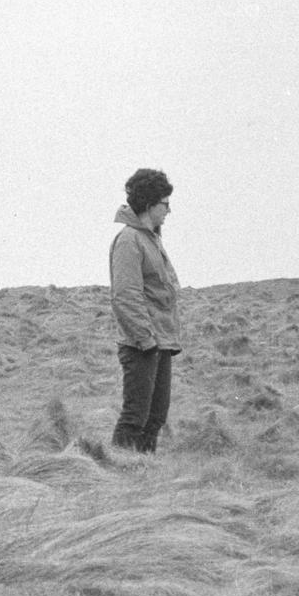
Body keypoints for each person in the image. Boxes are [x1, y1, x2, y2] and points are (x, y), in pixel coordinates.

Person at [109, 168, 182, 453]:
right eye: (165, 203)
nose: (169, 210)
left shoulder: (150, 238)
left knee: (155, 419)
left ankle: (142, 476)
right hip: (143, 344)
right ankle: (118, 476)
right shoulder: (129, 240)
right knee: (135, 419)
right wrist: (146, 340)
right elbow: (125, 296)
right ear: (150, 203)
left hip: (159, 342)